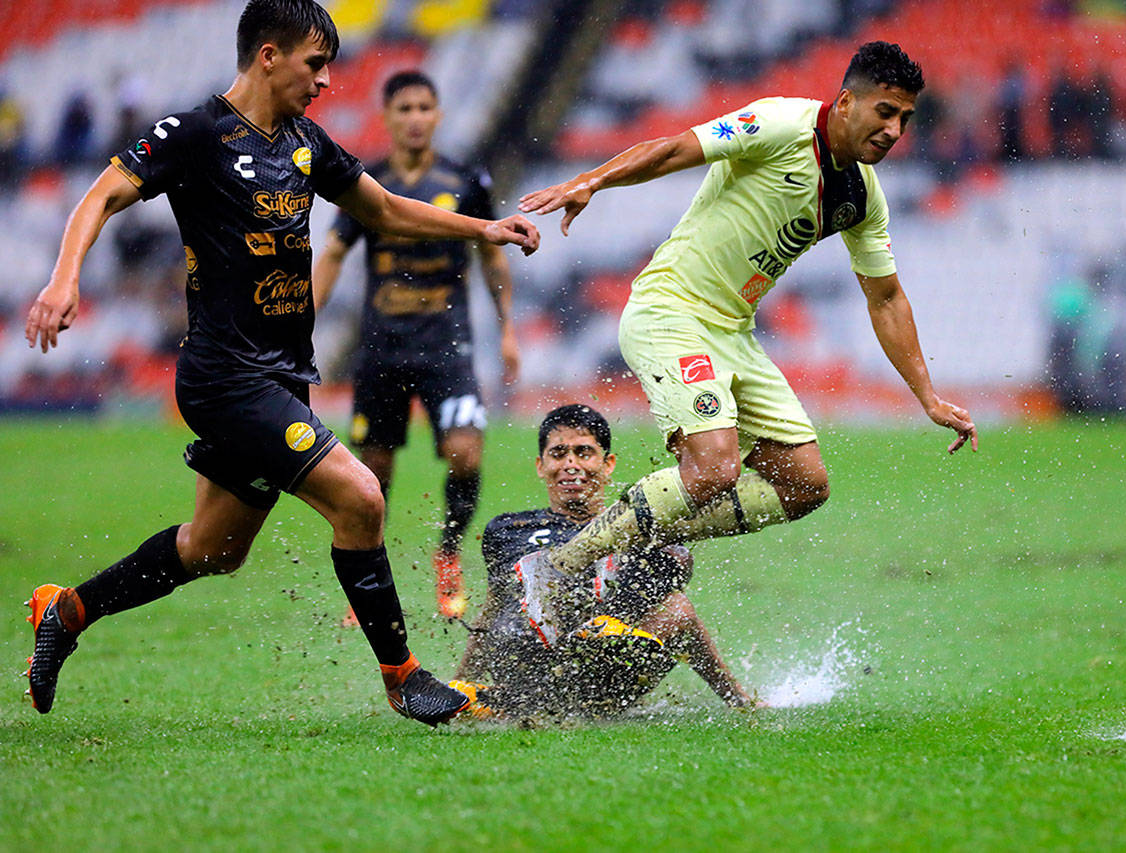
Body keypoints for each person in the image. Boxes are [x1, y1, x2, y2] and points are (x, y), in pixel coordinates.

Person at [22, 0, 539, 727]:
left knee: (213, 548)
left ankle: (67, 609)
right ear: (269, 54)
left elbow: (385, 209)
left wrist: (483, 225)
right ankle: (405, 677)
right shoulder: (196, 133)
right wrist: (63, 277)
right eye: (314, 63)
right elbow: (103, 192)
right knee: (361, 498)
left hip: (280, 376)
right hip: (224, 379)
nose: (326, 79)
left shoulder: (305, 141)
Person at [513, 41, 976, 645]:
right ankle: (558, 569)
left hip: (733, 332)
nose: (894, 131)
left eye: (905, 120)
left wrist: (928, 397)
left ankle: (636, 526)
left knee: (805, 483)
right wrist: (593, 181)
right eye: (885, 112)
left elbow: (885, 297)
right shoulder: (781, 123)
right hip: (671, 311)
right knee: (714, 467)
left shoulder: (860, 197)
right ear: (846, 102)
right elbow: (679, 147)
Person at [313, 70, 517, 621]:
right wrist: (302, 319)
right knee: (371, 474)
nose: (416, 118)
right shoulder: (366, 183)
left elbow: (492, 255)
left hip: (448, 348)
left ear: (439, 115)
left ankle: (448, 552)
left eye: (425, 107)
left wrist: (507, 329)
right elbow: (333, 252)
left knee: (465, 454)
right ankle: (368, 577)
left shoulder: (465, 180)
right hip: (381, 351)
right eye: (404, 108)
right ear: (387, 117)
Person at [449, 404, 756, 719]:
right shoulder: (509, 530)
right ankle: (503, 700)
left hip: (601, 677)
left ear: (608, 464)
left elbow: (685, 622)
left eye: (584, 452)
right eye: (559, 454)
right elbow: (493, 610)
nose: (571, 464)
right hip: (530, 669)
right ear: (541, 466)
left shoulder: (639, 529)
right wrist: (460, 681)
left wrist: (739, 700)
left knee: (676, 607)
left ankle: (539, 704)